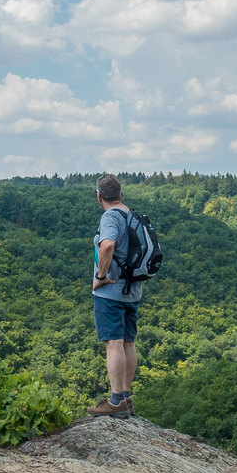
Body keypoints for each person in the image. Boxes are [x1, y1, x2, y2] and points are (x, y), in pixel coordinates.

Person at [87, 173, 141, 417]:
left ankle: (116, 401)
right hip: (133, 290)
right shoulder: (132, 216)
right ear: (121, 194)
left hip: (112, 291)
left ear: (99, 197)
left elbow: (107, 245)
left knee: (114, 343)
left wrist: (100, 276)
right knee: (128, 342)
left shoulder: (110, 216)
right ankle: (126, 398)